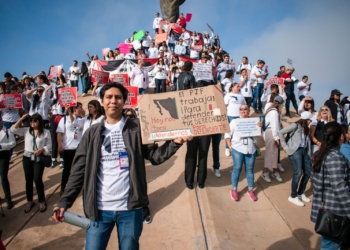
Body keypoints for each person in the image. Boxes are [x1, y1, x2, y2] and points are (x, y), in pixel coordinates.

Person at [52, 82, 192, 249]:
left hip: (131, 210)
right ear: (102, 101)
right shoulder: (92, 133)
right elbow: (78, 171)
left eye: (118, 97)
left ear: (124, 101)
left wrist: (175, 143)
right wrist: (64, 202)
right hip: (98, 211)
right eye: (109, 97)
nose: (113, 101)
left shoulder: (138, 127)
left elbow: (155, 157)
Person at [310, 122, 350, 249]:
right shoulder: (334, 157)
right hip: (334, 213)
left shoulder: (320, 154)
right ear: (341, 137)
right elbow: (340, 188)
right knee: (331, 247)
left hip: (326, 211)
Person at [11, 113, 52, 213]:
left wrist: (42, 150)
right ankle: (30, 201)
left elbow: (49, 145)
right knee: (28, 180)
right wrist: (21, 118)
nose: (32, 123)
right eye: (31, 121)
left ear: (39, 121)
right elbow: (14, 129)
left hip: (38, 158)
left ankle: (41, 201)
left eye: (35, 121)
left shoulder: (45, 132)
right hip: (27, 157)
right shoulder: (26, 131)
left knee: (37, 179)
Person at [225, 104, 262, 201]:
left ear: (249, 110)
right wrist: (230, 146)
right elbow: (227, 134)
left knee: (250, 170)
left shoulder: (255, 122)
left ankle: (250, 190)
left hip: (251, 149)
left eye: (245, 109)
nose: (243, 110)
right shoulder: (234, 122)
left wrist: (260, 128)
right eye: (241, 109)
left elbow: (258, 136)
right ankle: (234, 190)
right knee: (237, 168)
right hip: (238, 148)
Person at [279, 111, 313, 206]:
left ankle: (300, 192)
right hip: (295, 151)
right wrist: (284, 146)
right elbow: (281, 132)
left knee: (307, 172)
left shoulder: (307, 128)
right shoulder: (295, 125)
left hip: (304, 151)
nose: (310, 121)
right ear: (306, 119)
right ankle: (293, 196)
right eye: (309, 119)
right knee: (298, 173)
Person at [57, 103, 85, 196]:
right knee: (67, 168)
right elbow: (60, 133)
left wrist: (83, 116)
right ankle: (63, 186)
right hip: (68, 148)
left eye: (81, 108)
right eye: (79, 108)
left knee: (79, 168)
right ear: (74, 109)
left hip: (80, 148)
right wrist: (60, 145)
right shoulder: (64, 119)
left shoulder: (83, 119)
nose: (81, 109)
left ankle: (78, 187)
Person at [261, 96, 284, 183]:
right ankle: (265, 172)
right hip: (271, 133)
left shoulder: (271, 110)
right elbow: (274, 126)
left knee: (274, 153)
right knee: (270, 153)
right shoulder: (274, 112)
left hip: (271, 133)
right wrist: (276, 138)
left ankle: (274, 171)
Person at [224, 82, 246, 157]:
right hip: (231, 116)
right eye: (237, 86)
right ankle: (227, 148)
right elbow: (225, 105)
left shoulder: (241, 96)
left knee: (238, 133)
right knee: (229, 133)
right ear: (232, 87)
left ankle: (236, 147)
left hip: (240, 117)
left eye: (239, 87)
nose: (238, 88)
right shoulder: (228, 95)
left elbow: (245, 105)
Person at [0, 115, 16, 209]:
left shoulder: (7, 131)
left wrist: (1, 146)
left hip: (3, 156)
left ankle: (8, 199)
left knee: (3, 176)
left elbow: (13, 143)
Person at [48, 85, 66, 168]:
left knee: (61, 139)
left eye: (61, 90)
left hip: (62, 118)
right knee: (53, 139)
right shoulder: (53, 101)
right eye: (57, 90)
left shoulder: (66, 100)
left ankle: (62, 158)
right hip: (54, 119)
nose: (59, 92)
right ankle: (54, 159)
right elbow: (45, 100)